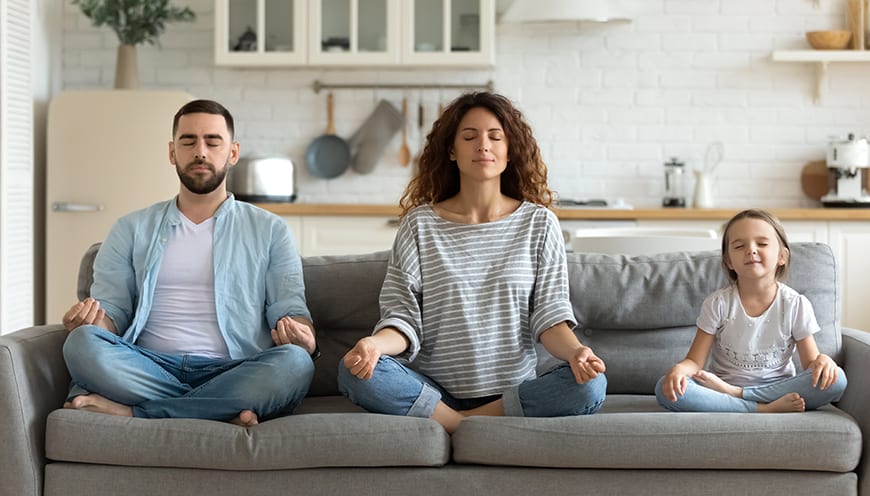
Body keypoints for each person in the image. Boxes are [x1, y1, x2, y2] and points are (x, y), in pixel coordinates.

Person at [337, 92, 607, 434]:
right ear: (452, 150)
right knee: (354, 371)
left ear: (510, 151)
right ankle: (467, 424)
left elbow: (550, 317)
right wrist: (374, 345)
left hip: (512, 391)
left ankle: (457, 426)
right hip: (433, 390)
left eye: (496, 137)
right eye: (469, 137)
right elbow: (402, 318)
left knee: (590, 385)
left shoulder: (539, 223)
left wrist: (578, 353)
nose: (483, 145)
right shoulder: (420, 224)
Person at [61, 99, 318, 427]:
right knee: (81, 344)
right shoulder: (130, 228)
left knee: (295, 363)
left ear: (233, 153)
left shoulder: (270, 230)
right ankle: (218, 410)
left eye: (213, 142)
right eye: (188, 141)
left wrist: (305, 338)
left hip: (235, 367)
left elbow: (289, 308)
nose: (201, 151)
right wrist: (91, 323)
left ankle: (136, 413)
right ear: (172, 152)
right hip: (149, 364)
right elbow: (113, 313)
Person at [656, 209, 847, 413]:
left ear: (781, 256)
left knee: (838, 379)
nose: (751, 250)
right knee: (664, 388)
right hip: (720, 389)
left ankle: (739, 397)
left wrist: (823, 361)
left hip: (772, 389)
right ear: (729, 261)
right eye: (739, 246)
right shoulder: (717, 304)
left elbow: (811, 364)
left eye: (762, 244)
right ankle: (761, 408)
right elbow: (695, 361)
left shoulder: (795, 304)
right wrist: (680, 369)